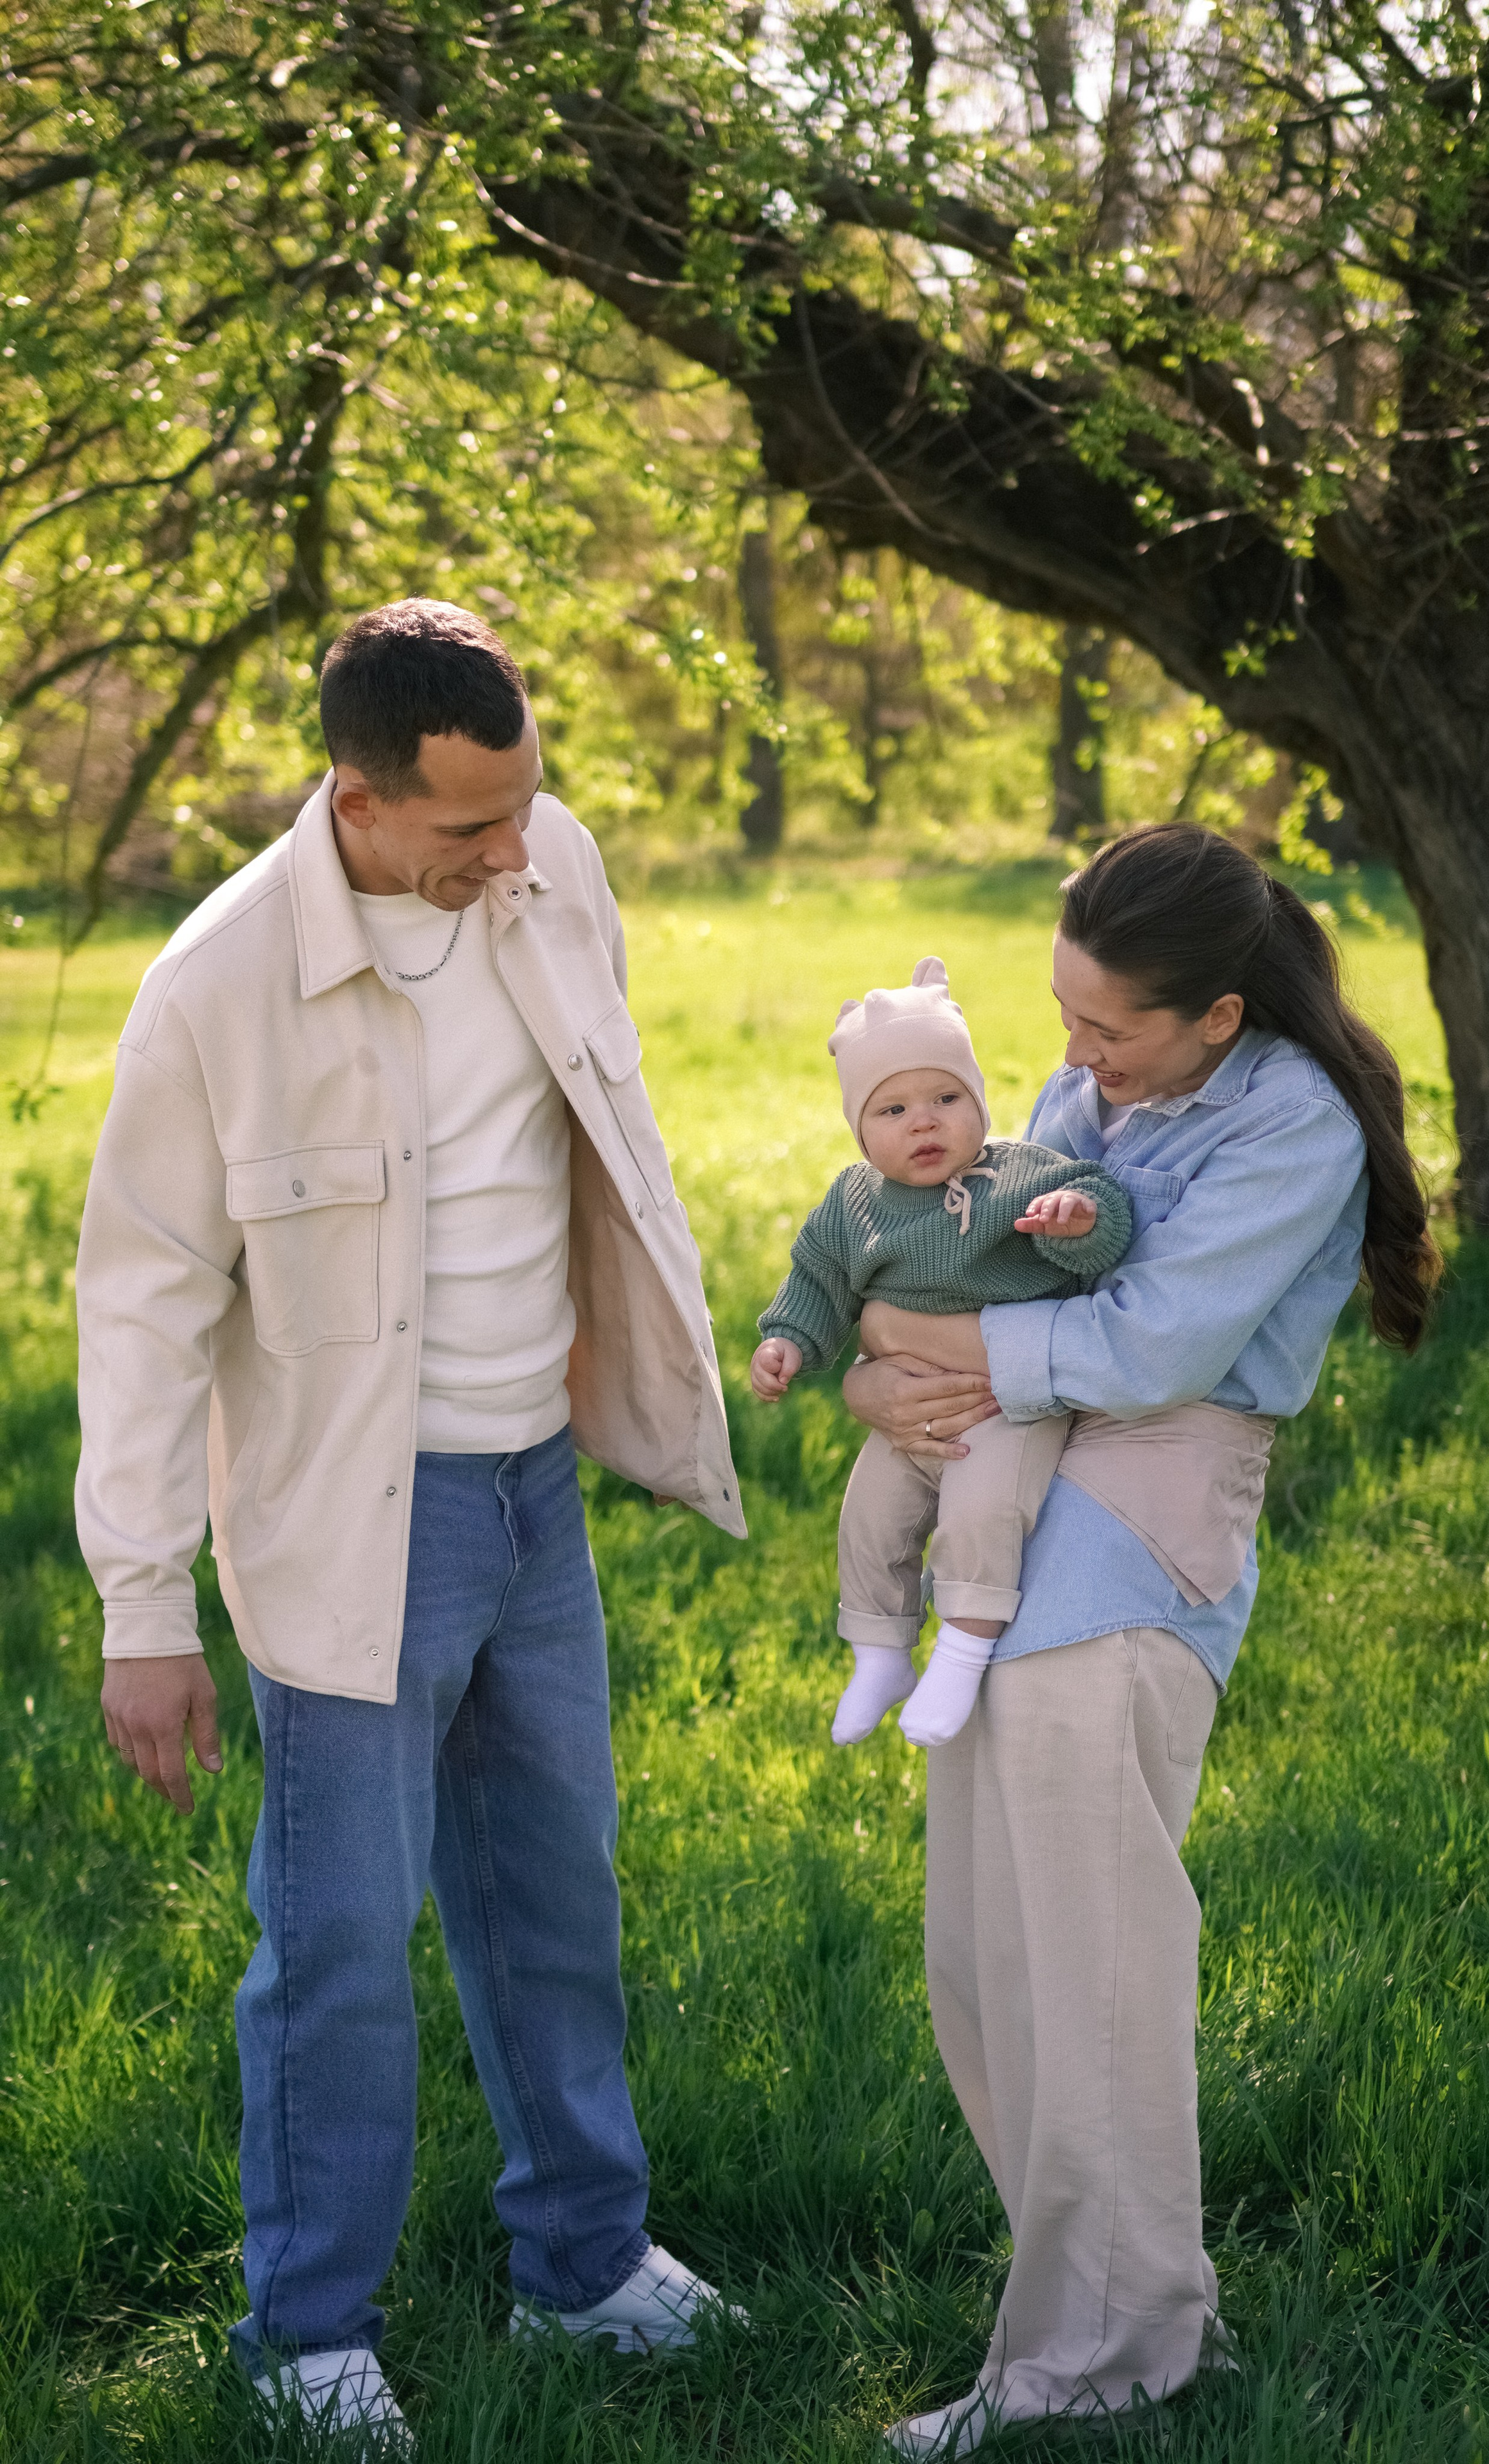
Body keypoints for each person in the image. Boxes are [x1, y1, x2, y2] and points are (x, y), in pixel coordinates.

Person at [74, 601, 747, 2445]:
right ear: (359, 801)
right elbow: (139, 1304)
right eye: (468, 829)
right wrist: (144, 1607)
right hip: (352, 1522)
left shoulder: (553, 869)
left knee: (555, 1898)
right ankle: (308, 2339)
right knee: (341, 1943)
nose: (512, 852)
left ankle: (587, 2267)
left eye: (525, 808)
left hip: (536, 1489)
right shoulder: (220, 985)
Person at [840, 825, 1440, 2456]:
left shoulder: (1286, 1126)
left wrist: (935, 1347)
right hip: (1019, 1486)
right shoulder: (1102, 1085)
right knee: (979, 1950)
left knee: (1083, 1953)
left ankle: (1101, 2360)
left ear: (1218, 1017)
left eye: (1107, 1029)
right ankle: (1117, 2308)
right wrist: (875, 1365)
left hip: (1147, 1514)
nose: (1075, 1056)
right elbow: (978, 1264)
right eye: (1064, 1017)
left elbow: (1157, 1338)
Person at [749, 957, 1132, 1747]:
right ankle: (879, 1651)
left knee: (982, 1511)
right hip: (906, 1419)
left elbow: (1106, 1217)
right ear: (858, 1127)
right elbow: (817, 1281)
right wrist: (787, 1340)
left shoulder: (1017, 1176)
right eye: (892, 1108)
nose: (923, 1122)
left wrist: (1079, 1219)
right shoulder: (852, 1204)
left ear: (978, 1101)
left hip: (1006, 1406)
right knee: (869, 1520)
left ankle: (962, 1649)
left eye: (945, 1099)